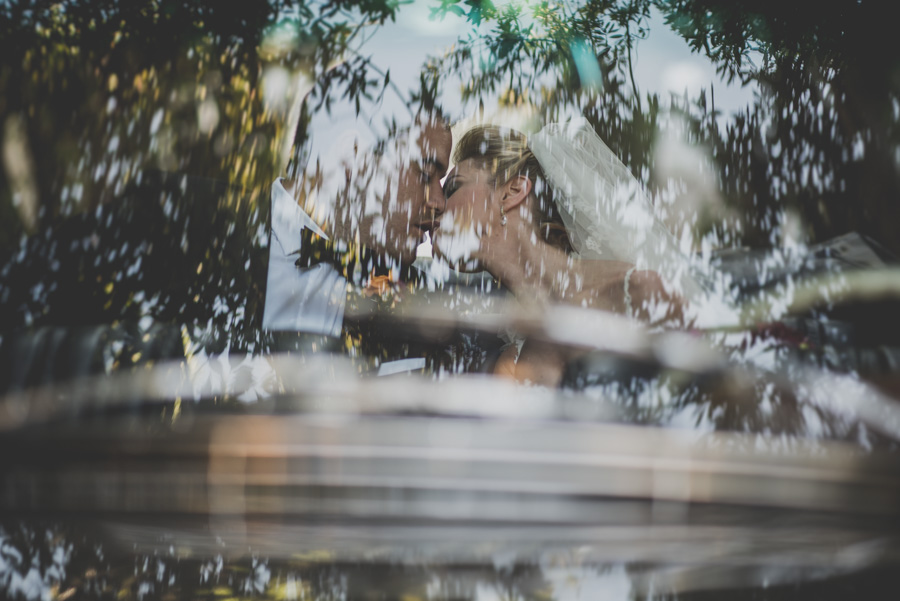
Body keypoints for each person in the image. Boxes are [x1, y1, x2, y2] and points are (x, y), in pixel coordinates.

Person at [432, 120, 700, 384]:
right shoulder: (509, 359)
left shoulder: (638, 293)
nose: (436, 205)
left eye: (453, 188)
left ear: (512, 192)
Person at [261, 112, 452, 353]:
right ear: (355, 158)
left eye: (441, 183)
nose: (439, 202)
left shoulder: (418, 300)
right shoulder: (208, 230)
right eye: (425, 173)